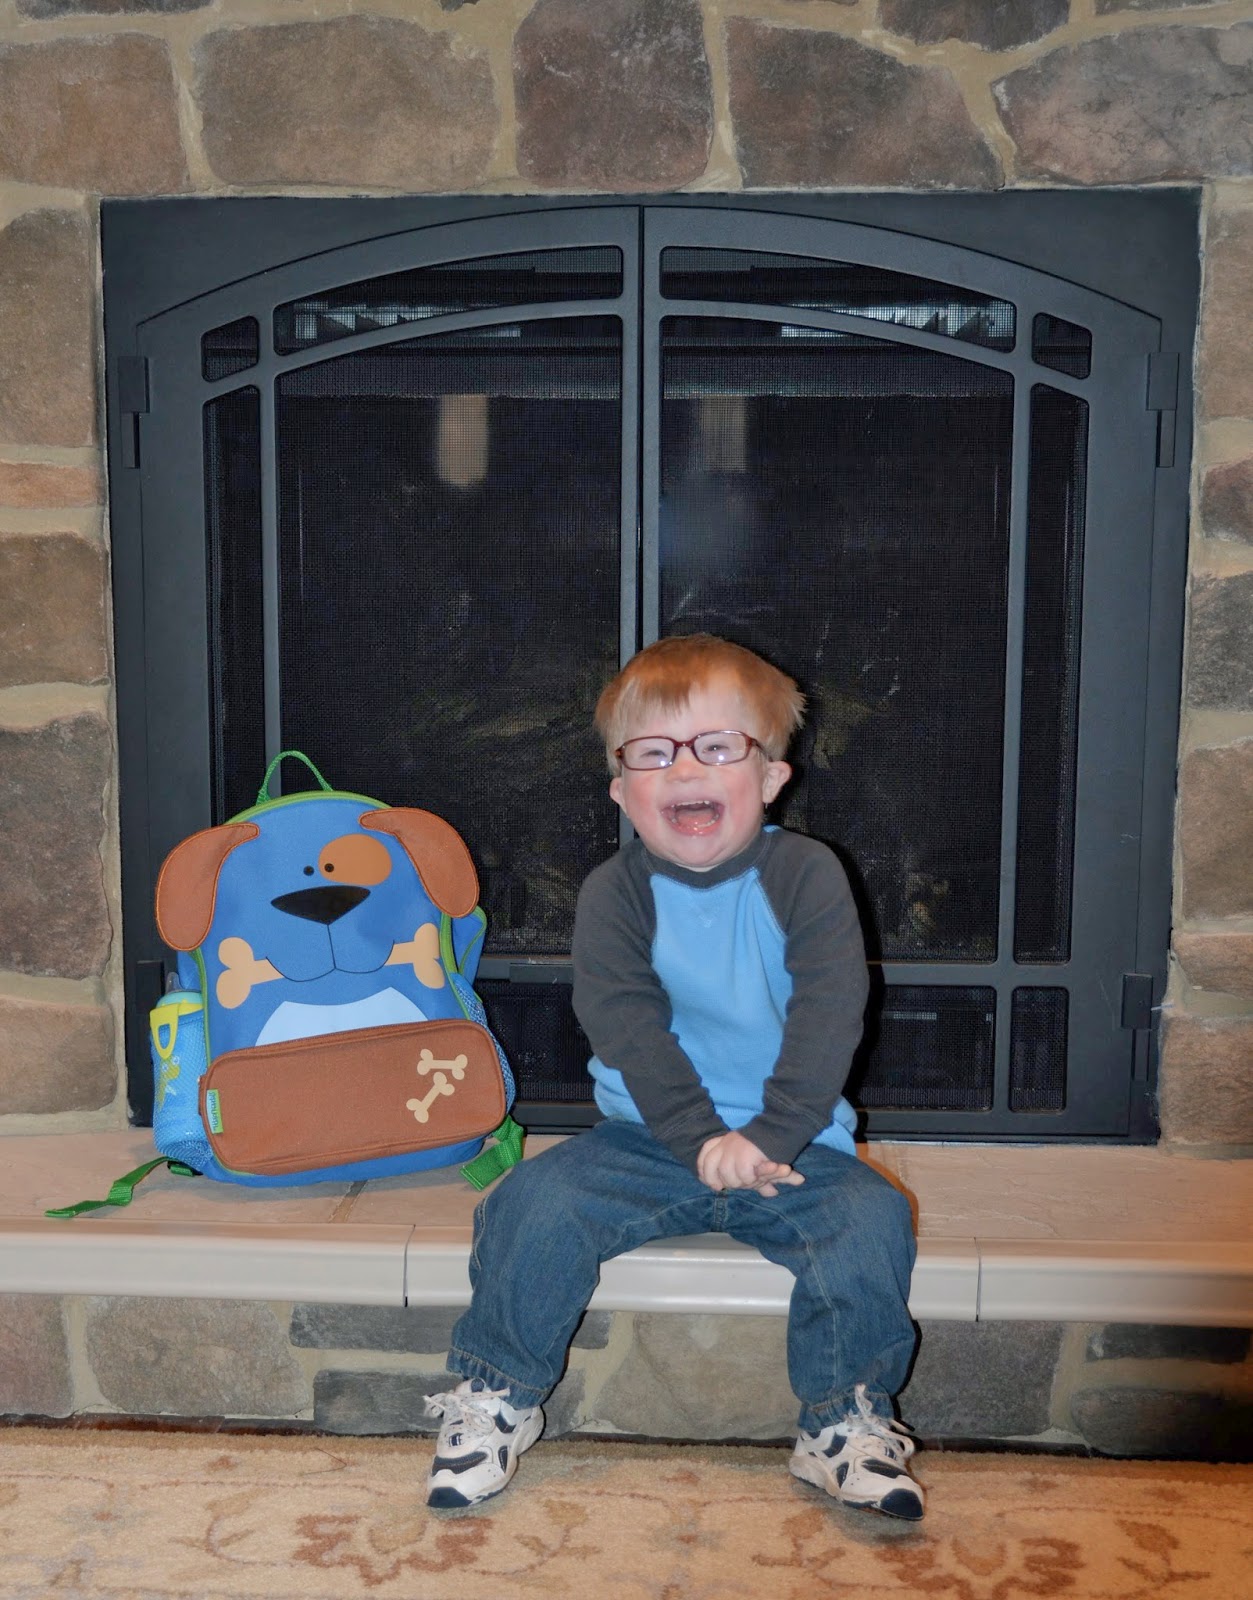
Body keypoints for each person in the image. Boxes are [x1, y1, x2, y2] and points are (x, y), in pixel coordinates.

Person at [424, 635, 923, 1519]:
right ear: (622, 790)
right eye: (652, 754)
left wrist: (770, 1136)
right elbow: (626, 1027)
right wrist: (698, 1140)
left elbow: (829, 1013)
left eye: (717, 746)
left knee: (870, 1220)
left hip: (795, 1143)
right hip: (648, 1136)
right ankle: (496, 1392)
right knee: (531, 1204)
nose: (684, 768)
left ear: (770, 778)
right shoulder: (614, 893)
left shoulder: (806, 875)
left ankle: (842, 1421)